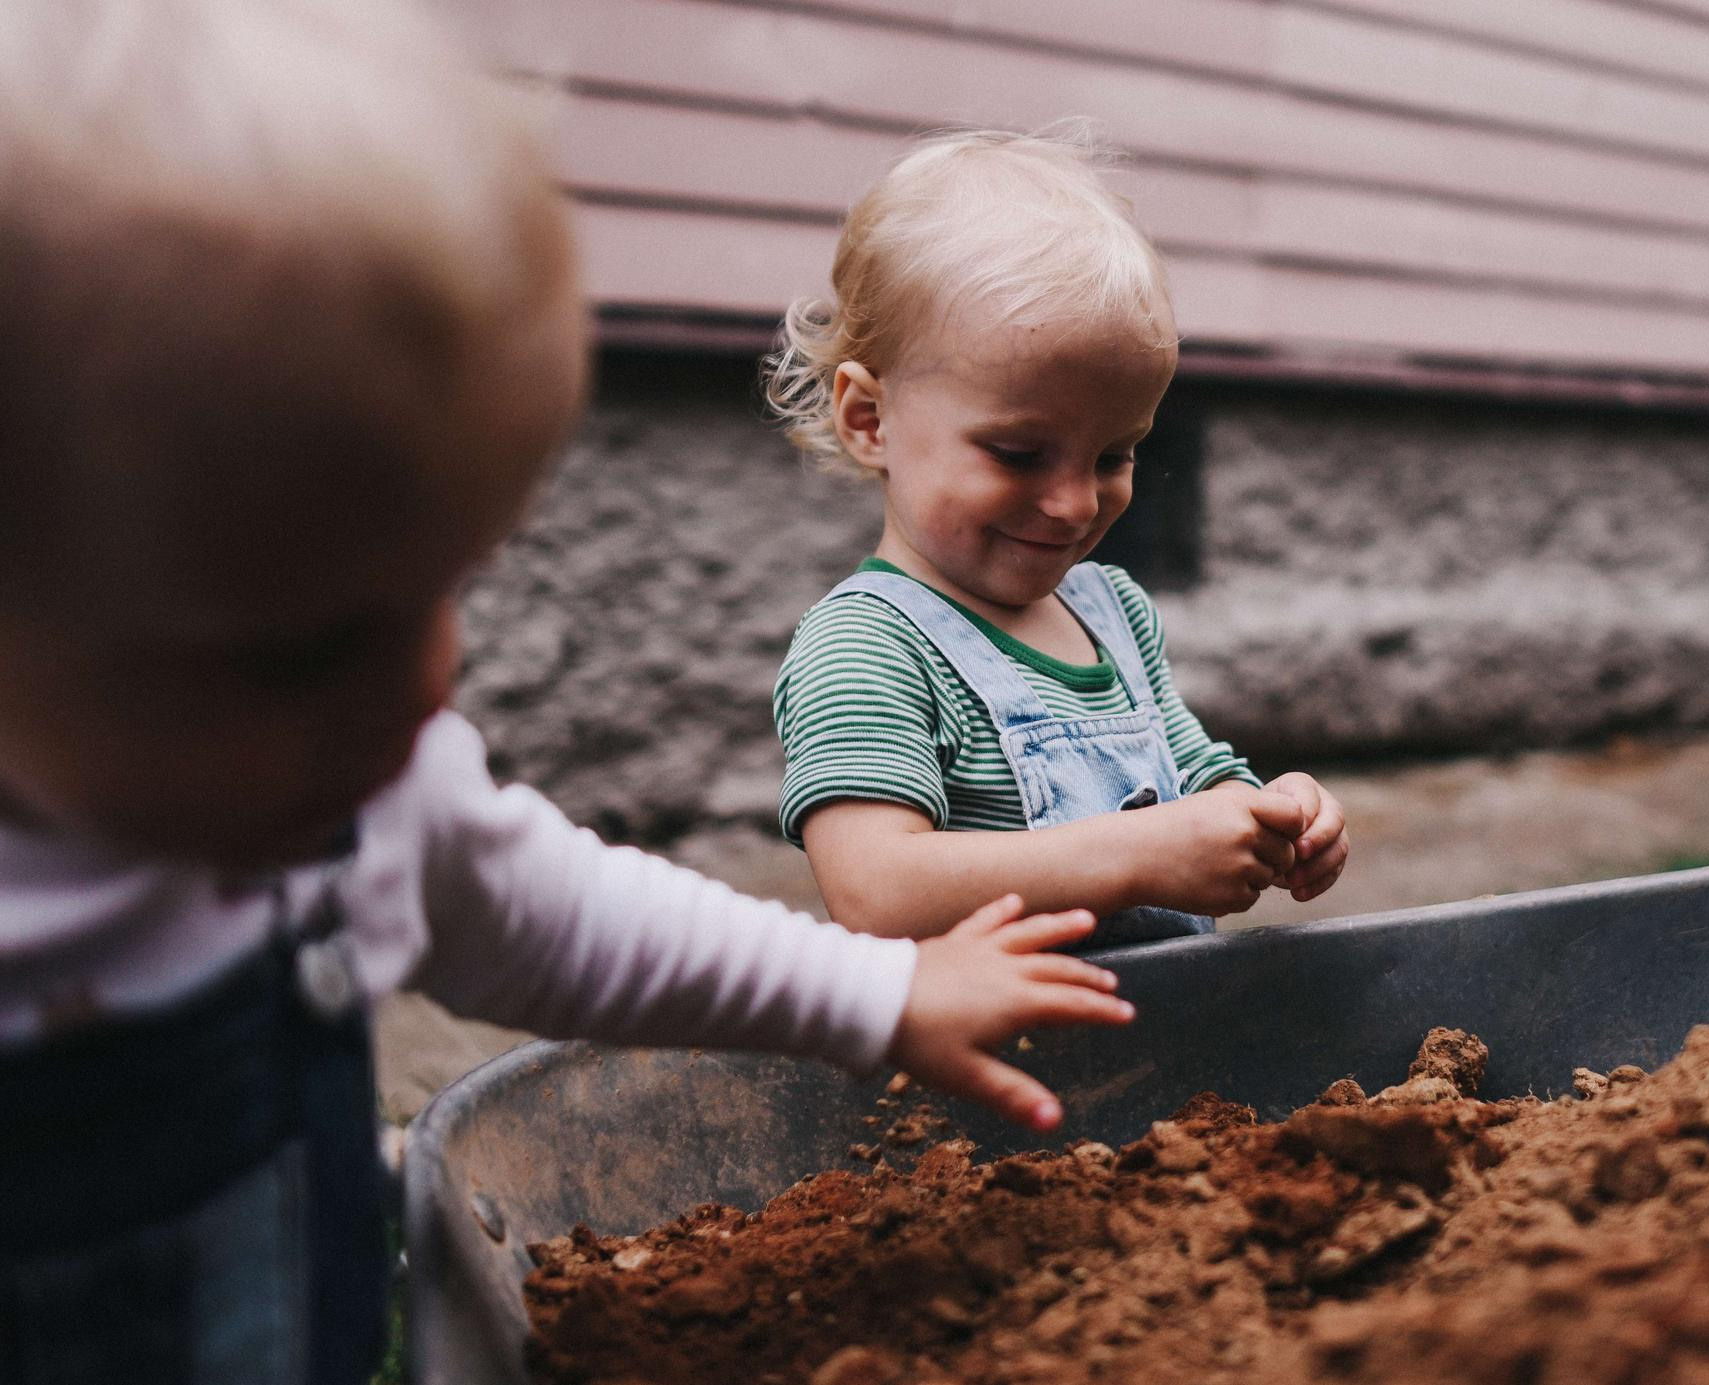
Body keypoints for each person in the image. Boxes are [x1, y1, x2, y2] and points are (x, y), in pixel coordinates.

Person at [0, 6, 1134, 1381]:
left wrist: (877, 998)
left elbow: (568, 915)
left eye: (445, 589)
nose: (430, 683)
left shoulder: (363, 793)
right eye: (304, 649)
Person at [768, 128, 1351, 946]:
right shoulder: (866, 646)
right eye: (1019, 453)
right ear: (870, 420)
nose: (1075, 505)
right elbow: (875, 891)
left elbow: (1192, 779)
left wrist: (1271, 812)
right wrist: (1132, 857)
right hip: (997, 1068)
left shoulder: (1111, 612)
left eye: (1113, 454)